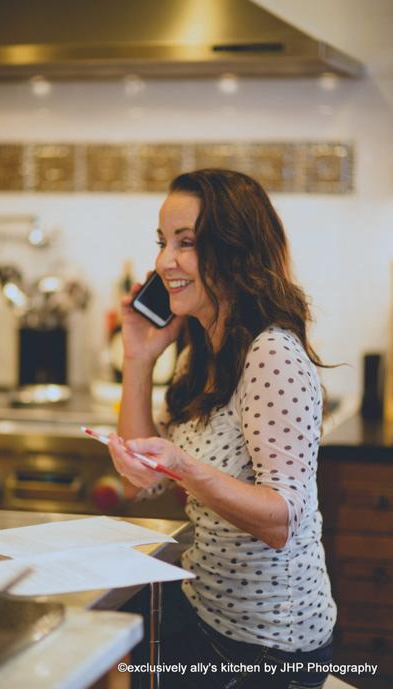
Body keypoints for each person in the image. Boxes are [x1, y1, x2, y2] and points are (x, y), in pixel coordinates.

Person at [108, 169, 336, 689]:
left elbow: (281, 520)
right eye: (163, 242)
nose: (165, 261)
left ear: (235, 253)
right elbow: (141, 485)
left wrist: (185, 466)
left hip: (269, 647)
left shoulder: (272, 353)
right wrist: (138, 357)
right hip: (204, 610)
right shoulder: (204, 352)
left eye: (186, 243)